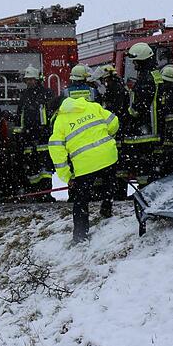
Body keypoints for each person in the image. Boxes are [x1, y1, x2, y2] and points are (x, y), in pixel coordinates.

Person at [48, 95, 120, 245]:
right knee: (109, 180)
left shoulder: (60, 121)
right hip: (108, 155)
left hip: (85, 164)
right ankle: (107, 206)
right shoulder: (91, 106)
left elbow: (57, 153)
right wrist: (107, 137)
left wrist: (68, 177)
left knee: (81, 199)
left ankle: (80, 235)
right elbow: (114, 121)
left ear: (57, 110)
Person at [14, 64, 59, 197]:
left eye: (31, 79)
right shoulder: (24, 95)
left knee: (45, 168)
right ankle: (36, 194)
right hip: (28, 137)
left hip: (44, 136)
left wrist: (51, 130)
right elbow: (20, 115)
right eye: (27, 80)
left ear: (38, 79)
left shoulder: (47, 93)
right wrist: (19, 135)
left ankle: (46, 194)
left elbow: (53, 113)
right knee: (32, 168)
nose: (29, 82)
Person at [122, 42, 163, 184]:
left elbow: (139, 106)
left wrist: (128, 116)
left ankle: (144, 191)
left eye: (136, 62)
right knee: (152, 165)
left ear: (142, 60)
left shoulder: (145, 79)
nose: (134, 65)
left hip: (145, 130)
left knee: (142, 164)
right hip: (155, 127)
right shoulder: (156, 75)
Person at [97, 64, 131, 199]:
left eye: (105, 80)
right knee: (120, 164)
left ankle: (117, 193)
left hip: (117, 130)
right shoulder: (121, 87)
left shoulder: (114, 90)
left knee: (117, 164)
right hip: (121, 129)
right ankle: (119, 192)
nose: (105, 83)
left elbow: (113, 111)